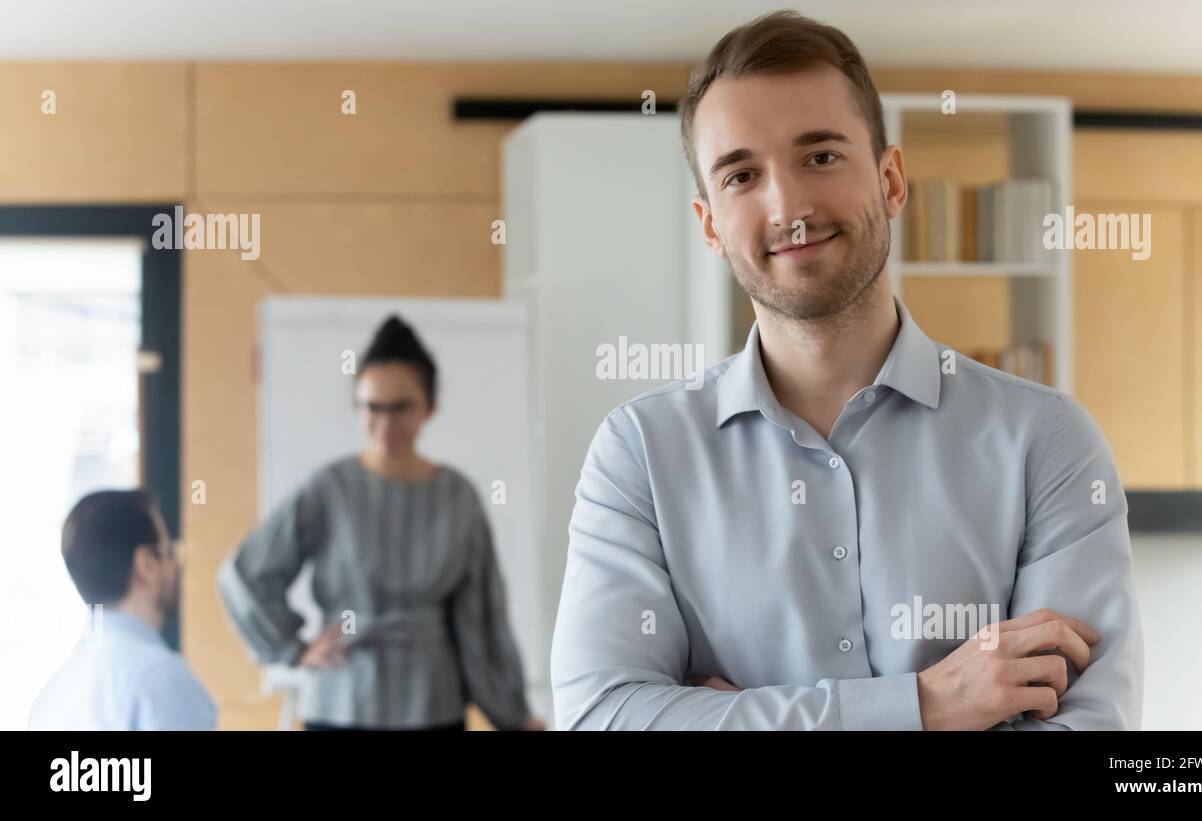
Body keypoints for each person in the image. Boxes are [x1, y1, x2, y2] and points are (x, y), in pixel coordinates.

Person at [550, 10, 1143, 730]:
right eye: (742, 175)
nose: (789, 206)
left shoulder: (1047, 441)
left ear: (892, 181)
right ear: (710, 225)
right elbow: (600, 715)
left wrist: (737, 716)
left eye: (821, 156)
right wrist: (927, 704)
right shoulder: (638, 453)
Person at [219, 314, 543, 731]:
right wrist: (291, 648)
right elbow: (245, 573)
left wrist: (513, 716)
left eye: (401, 407)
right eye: (373, 407)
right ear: (357, 408)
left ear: (429, 407)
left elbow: (482, 618)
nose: (386, 423)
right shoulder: (330, 488)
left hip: (433, 709)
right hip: (339, 706)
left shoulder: (458, 497)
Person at [28, 490, 217, 730]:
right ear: (146, 564)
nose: (175, 565)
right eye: (170, 551)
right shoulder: (161, 681)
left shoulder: (50, 699)